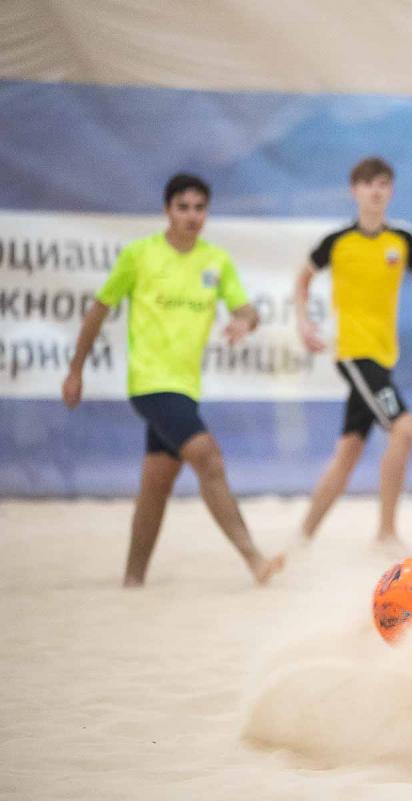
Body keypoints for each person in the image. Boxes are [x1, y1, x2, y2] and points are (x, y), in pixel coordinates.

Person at [62, 173, 285, 587]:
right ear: (167, 210)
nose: (192, 215)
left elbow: (247, 310)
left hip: (186, 386)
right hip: (149, 382)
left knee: (157, 482)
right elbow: (98, 310)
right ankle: (254, 559)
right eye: (183, 207)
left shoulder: (216, 261)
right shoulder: (139, 255)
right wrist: (76, 369)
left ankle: (133, 578)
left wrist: (245, 322)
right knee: (208, 456)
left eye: (199, 208)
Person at [294, 157, 412, 550]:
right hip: (354, 352)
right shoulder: (337, 241)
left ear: (390, 190)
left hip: (383, 355)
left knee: (348, 450)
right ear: (354, 191)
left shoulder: (402, 238)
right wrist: (304, 322)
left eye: (382, 184)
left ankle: (303, 535)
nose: (375, 191)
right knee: (404, 429)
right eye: (367, 184)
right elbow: (303, 279)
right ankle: (386, 532)